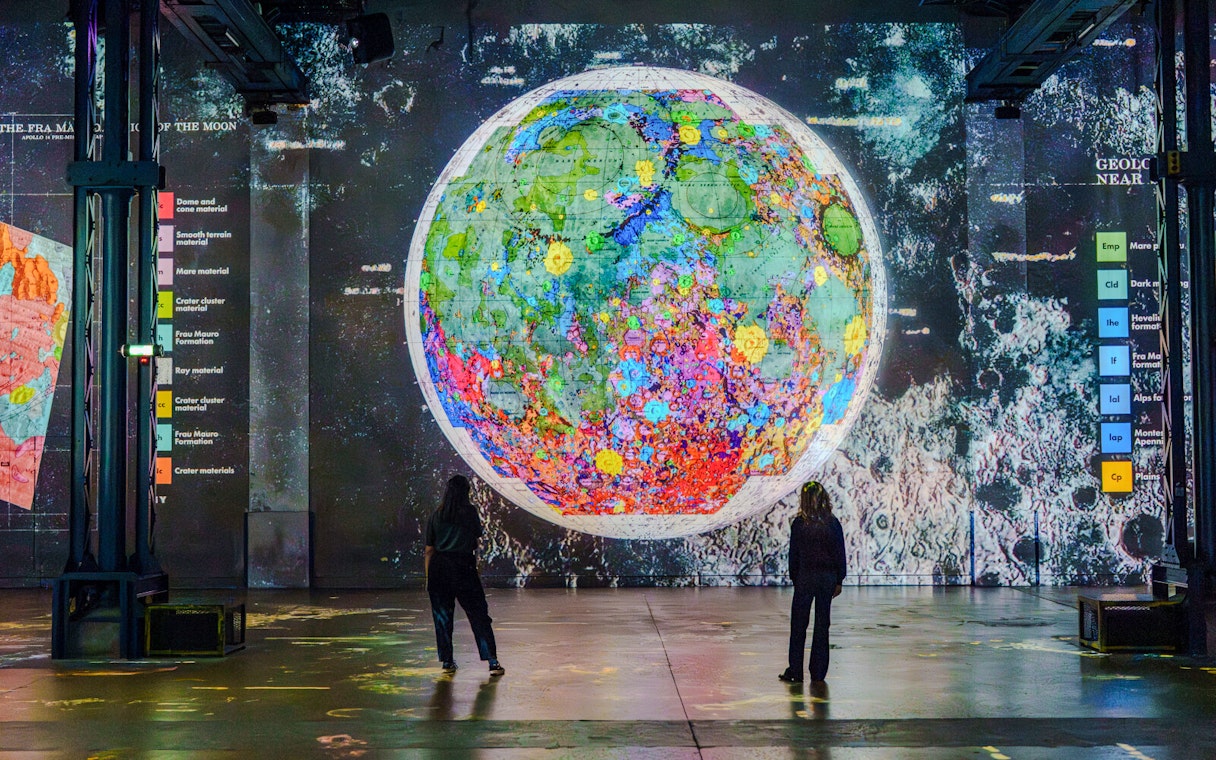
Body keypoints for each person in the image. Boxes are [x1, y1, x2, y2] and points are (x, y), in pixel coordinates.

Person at [425, 474, 504, 676]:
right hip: (463, 567)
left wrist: (428, 578)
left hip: (439, 569)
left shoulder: (436, 515)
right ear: (466, 492)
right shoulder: (469, 513)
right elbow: (476, 538)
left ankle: (447, 661)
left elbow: (429, 549)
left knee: (443, 618)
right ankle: (492, 661)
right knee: (478, 615)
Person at [779, 480, 846, 684]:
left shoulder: (799, 523)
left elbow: (794, 555)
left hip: (805, 578)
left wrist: (795, 577)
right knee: (822, 625)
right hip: (826, 578)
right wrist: (839, 579)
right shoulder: (832, 523)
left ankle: (796, 671)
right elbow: (839, 553)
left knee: (798, 625)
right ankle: (818, 673)